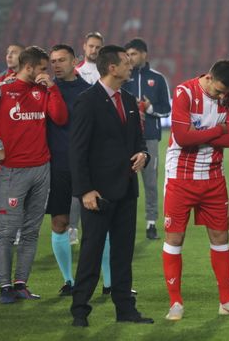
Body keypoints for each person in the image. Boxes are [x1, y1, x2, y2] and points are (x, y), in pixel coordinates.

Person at [0, 46, 68, 304]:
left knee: (31, 231)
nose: (47, 73)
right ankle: (4, 286)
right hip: (13, 171)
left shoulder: (43, 90)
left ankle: (21, 283)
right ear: (30, 67)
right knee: (7, 232)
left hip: (42, 168)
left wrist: (52, 89)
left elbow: (60, 117)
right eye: (43, 68)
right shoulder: (1, 90)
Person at [162, 59, 229, 321]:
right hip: (180, 177)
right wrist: (219, 129)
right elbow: (181, 138)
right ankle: (176, 303)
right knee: (174, 238)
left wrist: (200, 133)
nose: (222, 96)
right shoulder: (185, 93)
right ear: (209, 78)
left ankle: (226, 301)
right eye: (217, 91)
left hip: (214, 177)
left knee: (220, 238)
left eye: (226, 92)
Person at [69, 45, 152, 327]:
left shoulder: (128, 99)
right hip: (98, 194)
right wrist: (84, 191)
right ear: (112, 68)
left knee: (122, 253)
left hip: (127, 190)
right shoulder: (87, 101)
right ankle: (80, 310)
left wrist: (144, 154)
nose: (131, 66)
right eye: (126, 62)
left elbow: (137, 140)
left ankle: (125, 309)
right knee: (91, 253)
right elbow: (77, 150)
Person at [45, 44, 91, 296]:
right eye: (53, 61)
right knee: (59, 222)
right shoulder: (45, 91)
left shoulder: (90, 92)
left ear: (75, 61)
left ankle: (107, 282)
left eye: (62, 60)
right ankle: (68, 280)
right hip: (58, 167)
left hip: (87, 167)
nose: (57, 65)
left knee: (96, 225)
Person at [123, 38, 171, 240]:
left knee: (150, 182)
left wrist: (150, 109)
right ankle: (125, 222)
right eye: (128, 55)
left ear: (144, 54)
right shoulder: (122, 78)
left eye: (134, 54)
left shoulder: (158, 79)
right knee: (125, 182)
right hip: (125, 138)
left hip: (150, 137)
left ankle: (151, 223)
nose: (131, 58)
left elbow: (167, 109)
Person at [0, 43, 24, 249]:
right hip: (2, 143)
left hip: (25, 142)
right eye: (7, 53)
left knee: (21, 189)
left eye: (14, 53)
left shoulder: (31, 79)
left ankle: (17, 231)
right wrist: (4, 88)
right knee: (0, 189)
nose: (9, 56)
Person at [70, 31, 104, 243]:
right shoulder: (76, 73)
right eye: (91, 46)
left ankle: (99, 227)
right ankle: (73, 227)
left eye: (98, 47)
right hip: (83, 134)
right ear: (84, 47)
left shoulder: (106, 72)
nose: (94, 50)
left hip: (102, 137)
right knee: (79, 182)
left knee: (101, 183)